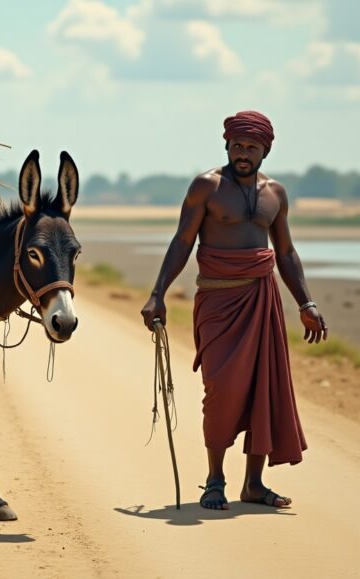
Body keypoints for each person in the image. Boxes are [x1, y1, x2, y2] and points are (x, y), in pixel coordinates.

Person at [140, 110, 327, 511]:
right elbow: (182, 241)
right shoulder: (206, 186)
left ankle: (254, 485)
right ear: (227, 145)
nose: (243, 153)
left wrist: (306, 303)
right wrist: (157, 293)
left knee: (264, 387)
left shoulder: (276, 193)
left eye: (252, 147)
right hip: (217, 301)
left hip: (262, 298)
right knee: (221, 391)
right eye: (237, 145)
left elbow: (286, 252)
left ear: (266, 151)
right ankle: (214, 480)